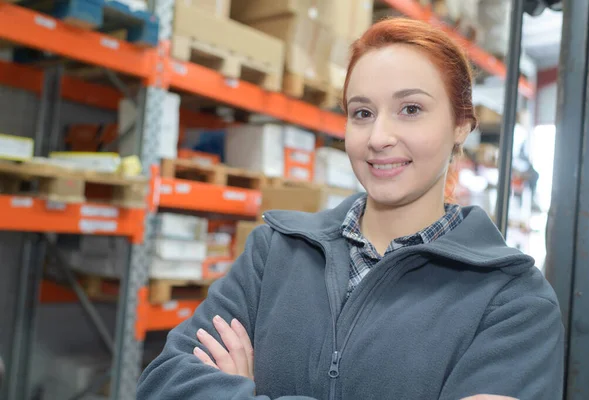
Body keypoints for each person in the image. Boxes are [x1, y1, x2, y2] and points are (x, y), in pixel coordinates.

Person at [137, 18, 564, 400]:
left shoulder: (512, 300)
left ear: (460, 127)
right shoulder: (275, 251)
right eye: (362, 112)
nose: (378, 136)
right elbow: (165, 382)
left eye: (410, 109)